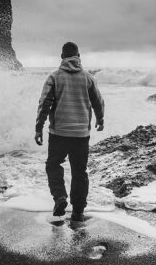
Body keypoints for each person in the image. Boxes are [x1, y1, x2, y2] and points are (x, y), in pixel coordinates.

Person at [35, 41, 104, 221]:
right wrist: (100, 119)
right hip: (81, 134)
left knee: (53, 165)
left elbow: (44, 104)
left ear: (62, 57)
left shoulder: (54, 77)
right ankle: (78, 212)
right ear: (79, 57)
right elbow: (98, 101)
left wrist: (38, 128)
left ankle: (60, 197)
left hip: (59, 133)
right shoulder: (88, 78)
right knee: (79, 172)